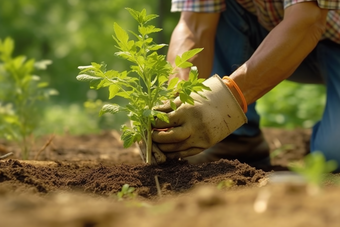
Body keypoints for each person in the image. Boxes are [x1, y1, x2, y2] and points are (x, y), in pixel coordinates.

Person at [151, 0, 340, 169]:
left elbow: (309, 19)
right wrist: (175, 104)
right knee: (217, 7)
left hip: (316, 34)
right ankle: (236, 139)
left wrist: (222, 102)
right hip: (278, 37)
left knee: (334, 156)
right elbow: (194, 25)